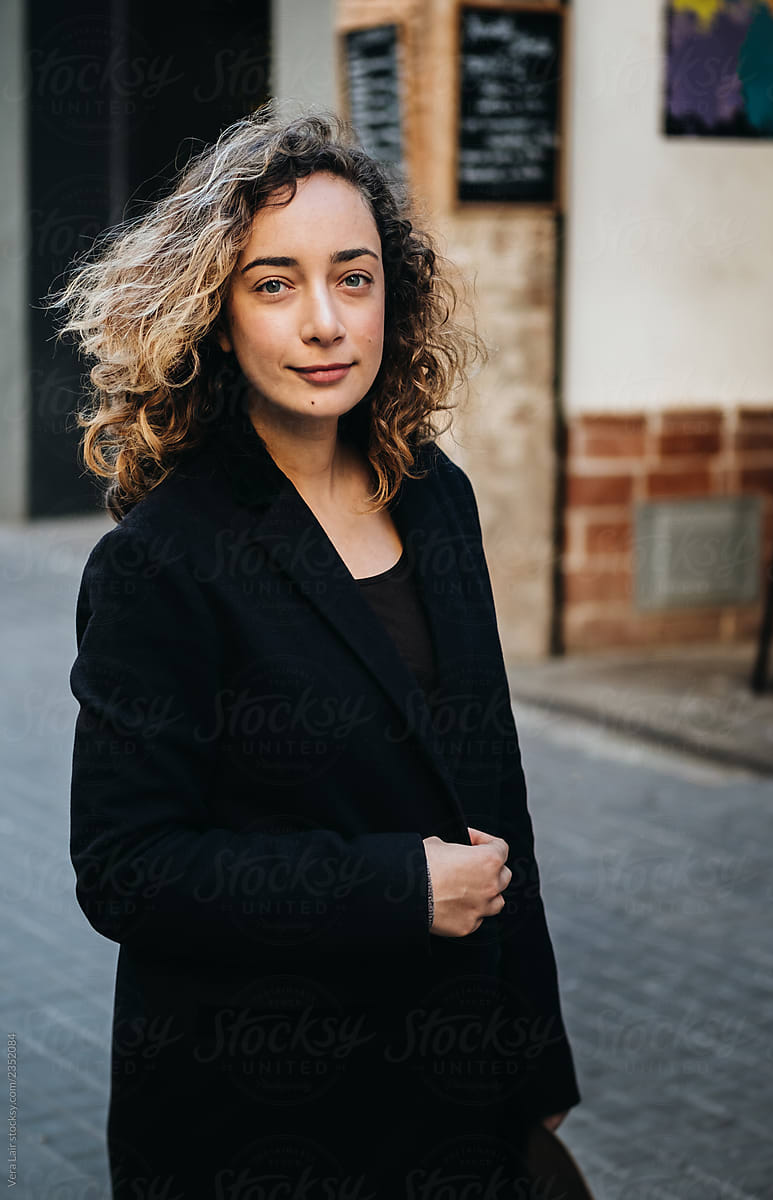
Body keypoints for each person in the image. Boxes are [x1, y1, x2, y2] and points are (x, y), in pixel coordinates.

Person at [54, 104, 581, 1199]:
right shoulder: (164, 561)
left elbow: (493, 790)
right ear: (217, 313)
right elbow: (129, 871)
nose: (324, 323)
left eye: (353, 277)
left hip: (447, 1092)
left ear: (396, 295)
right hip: (255, 1113)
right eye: (275, 283)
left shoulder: (435, 501)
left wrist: (532, 1058)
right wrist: (398, 888)